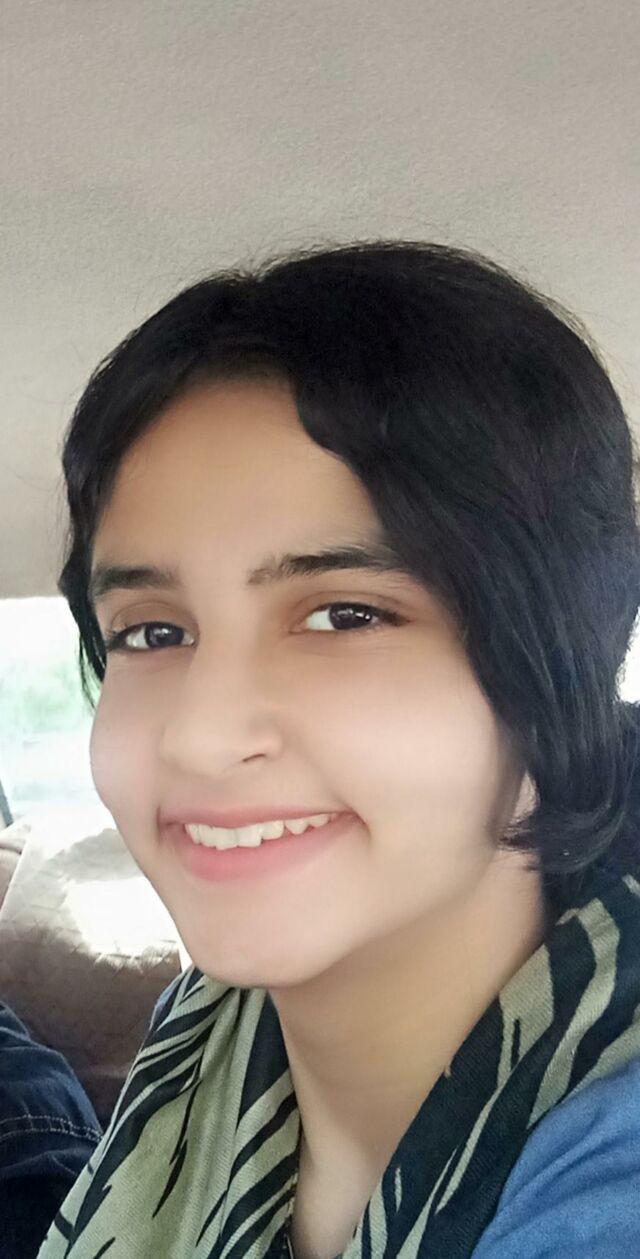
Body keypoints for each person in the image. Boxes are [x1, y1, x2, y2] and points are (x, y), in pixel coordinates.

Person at [33, 241, 640, 1258]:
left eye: (344, 615)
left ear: (554, 671)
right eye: (153, 632)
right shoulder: (211, 1026)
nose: (202, 736)